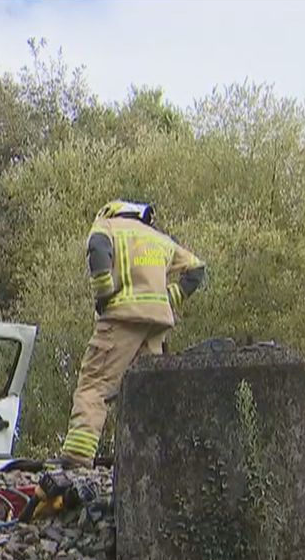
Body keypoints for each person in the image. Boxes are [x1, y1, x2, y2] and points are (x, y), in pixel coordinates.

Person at [56, 200, 207, 468]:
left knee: (94, 385)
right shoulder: (159, 238)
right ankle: (155, 460)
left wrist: (103, 296)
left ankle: (77, 459)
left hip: (122, 318)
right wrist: (168, 298)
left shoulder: (107, 226)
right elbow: (196, 269)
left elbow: (98, 250)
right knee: (148, 391)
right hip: (157, 324)